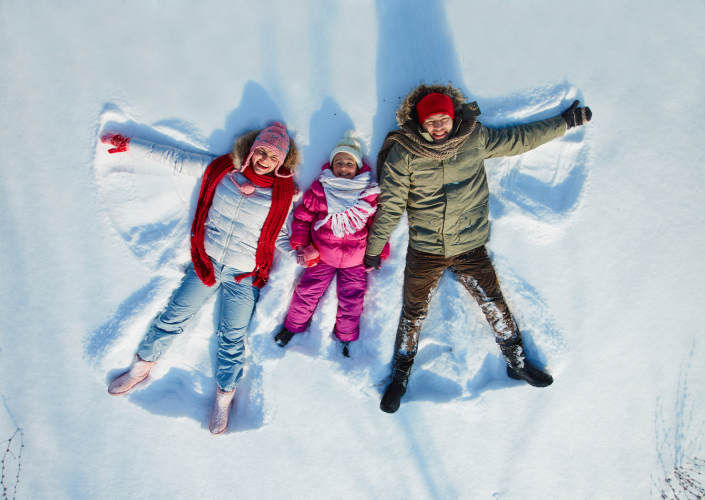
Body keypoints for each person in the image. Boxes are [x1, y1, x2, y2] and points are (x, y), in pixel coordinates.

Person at [365, 83, 592, 413]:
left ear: (453, 117)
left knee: (493, 302)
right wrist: (375, 247)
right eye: (431, 121)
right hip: (425, 249)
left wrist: (565, 122)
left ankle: (516, 361)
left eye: (443, 118)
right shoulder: (405, 152)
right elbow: (392, 204)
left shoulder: (473, 138)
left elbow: (519, 139)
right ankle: (400, 377)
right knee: (413, 311)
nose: (439, 126)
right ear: (420, 123)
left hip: (469, 244)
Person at [103, 122, 300, 434]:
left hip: (242, 275)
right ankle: (141, 367)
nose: (264, 159)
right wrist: (130, 144)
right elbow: (177, 158)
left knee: (232, 338)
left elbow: (282, 236)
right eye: (261, 151)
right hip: (205, 263)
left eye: (272, 157)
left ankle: (223, 399)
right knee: (173, 316)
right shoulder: (222, 170)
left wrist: (301, 254)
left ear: (281, 162)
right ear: (251, 150)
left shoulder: (281, 196)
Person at [274, 131, 388, 357]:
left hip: (355, 260)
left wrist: (379, 252)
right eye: (339, 163)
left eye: (349, 163)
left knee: (352, 300)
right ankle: (292, 326)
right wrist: (301, 243)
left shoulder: (367, 194)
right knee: (306, 292)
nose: (344, 167)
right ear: (331, 165)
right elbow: (303, 217)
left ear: (357, 167)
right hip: (322, 256)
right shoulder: (321, 190)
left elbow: (377, 226)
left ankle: (346, 337)